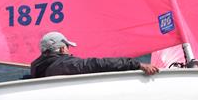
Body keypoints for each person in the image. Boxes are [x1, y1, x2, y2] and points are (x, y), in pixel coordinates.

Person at [29, 31, 160, 79]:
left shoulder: (40, 70)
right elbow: (97, 64)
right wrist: (137, 65)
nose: (69, 51)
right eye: (68, 47)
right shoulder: (65, 64)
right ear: (62, 49)